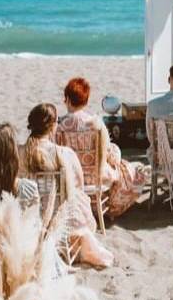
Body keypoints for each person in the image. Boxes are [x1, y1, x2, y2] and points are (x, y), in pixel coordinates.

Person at [20, 103, 113, 268]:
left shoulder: (20, 153)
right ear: (53, 126)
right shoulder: (64, 154)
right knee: (80, 200)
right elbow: (79, 187)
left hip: (28, 217)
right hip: (58, 219)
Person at [57, 77, 145, 217]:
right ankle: (106, 207)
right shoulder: (95, 123)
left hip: (71, 177)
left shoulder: (60, 127)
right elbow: (107, 153)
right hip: (95, 177)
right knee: (127, 169)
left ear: (67, 99)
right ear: (86, 100)